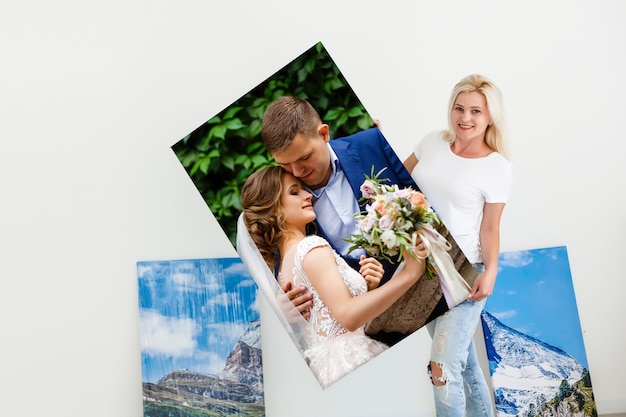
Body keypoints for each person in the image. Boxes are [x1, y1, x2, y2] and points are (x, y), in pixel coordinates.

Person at [260, 96, 449, 337]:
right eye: (286, 164)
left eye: (304, 157)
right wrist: (285, 303)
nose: (297, 172)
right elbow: (286, 251)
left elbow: (427, 199)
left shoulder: (373, 144)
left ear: (324, 134)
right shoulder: (289, 196)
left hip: (435, 288)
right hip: (370, 329)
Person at [240, 166, 428, 387]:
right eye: (294, 192)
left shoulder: (282, 270)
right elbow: (348, 317)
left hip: (327, 368)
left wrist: (368, 287)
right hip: (351, 359)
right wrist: (410, 273)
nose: (308, 194)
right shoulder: (311, 246)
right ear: (273, 211)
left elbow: (329, 318)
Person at [403, 74, 512, 417]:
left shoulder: (497, 167)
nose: (465, 118)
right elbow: (396, 185)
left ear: (490, 116)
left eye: (476, 111)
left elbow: (490, 227)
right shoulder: (431, 142)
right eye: (459, 108)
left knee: (441, 368)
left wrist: (491, 270)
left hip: (464, 275)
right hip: (422, 272)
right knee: (462, 364)